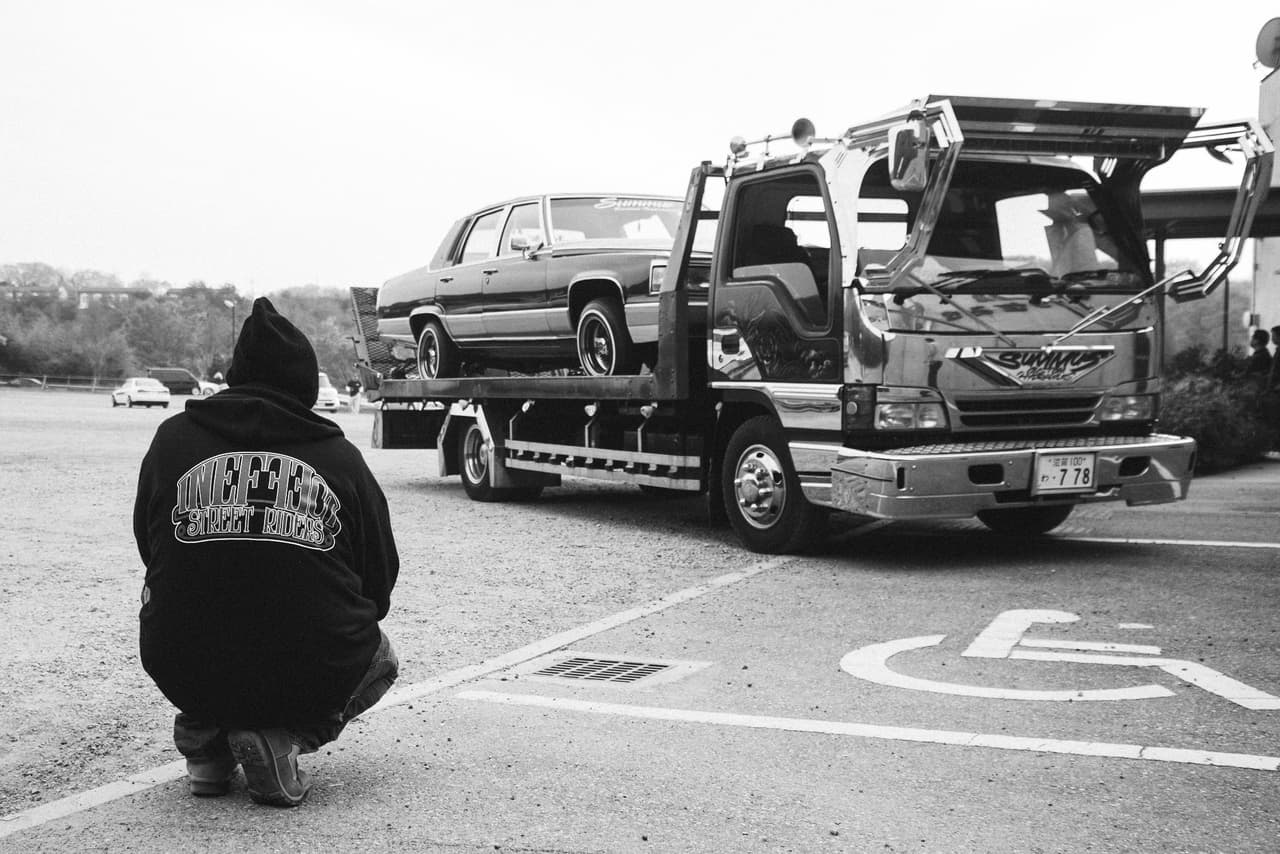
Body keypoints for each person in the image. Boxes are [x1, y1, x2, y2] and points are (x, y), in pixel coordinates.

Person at [134, 297, 400, 807]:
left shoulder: (171, 442)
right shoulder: (338, 458)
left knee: (187, 616)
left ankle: (205, 748)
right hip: (310, 661)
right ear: (303, 382)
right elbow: (378, 573)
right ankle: (282, 741)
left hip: (183, 657)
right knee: (382, 657)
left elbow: (151, 548)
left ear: (236, 375)